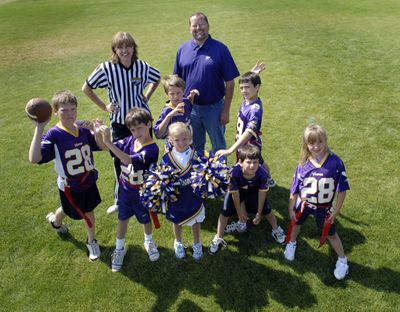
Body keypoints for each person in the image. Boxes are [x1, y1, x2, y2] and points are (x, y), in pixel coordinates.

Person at [82, 31, 161, 215]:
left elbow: (157, 78)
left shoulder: (141, 66)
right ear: (115, 50)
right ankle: (120, 199)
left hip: (141, 122)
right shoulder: (106, 68)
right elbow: (86, 88)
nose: (125, 50)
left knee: (145, 159)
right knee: (119, 161)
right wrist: (104, 106)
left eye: (128, 46)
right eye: (120, 47)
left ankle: (149, 193)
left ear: (134, 48)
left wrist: (146, 96)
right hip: (119, 123)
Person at [28, 90, 106, 261]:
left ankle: (91, 241)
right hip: (70, 185)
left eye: (73, 109)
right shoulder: (53, 134)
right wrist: (39, 127)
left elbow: (102, 147)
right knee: (67, 209)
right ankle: (55, 222)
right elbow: (34, 159)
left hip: (88, 180)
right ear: (55, 111)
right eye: (64, 110)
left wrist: (97, 131)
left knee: (88, 211)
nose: (70, 114)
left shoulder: (83, 129)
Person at [284, 124, 350, 280]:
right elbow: (294, 189)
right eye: (312, 143)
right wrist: (291, 207)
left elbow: (342, 190)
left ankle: (343, 260)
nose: (316, 146)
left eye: (320, 142)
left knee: (331, 234)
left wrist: (336, 211)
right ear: (306, 145)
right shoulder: (303, 164)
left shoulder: (336, 162)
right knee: (296, 223)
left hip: (324, 207)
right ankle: (291, 243)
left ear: (325, 140)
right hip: (304, 204)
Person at [99, 108, 160, 272]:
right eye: (132, 129)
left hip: (142, 191)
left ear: (149, 124)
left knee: (145, 219)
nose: (136, 132)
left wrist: (109, 142)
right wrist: (98, 132)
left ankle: (148, 241)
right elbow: (105, 148)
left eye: (139, 127)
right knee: (122, 219)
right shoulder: (129, 141)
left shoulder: (152, 149)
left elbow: (127, 159)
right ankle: (119, 249)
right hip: (126, 189)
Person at [173, 12, 240, 153]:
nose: (198, 28)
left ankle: (219, 174)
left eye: (202, 24)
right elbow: (176, 81)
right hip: (190, 109)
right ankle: (196, 175)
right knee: (193, 147)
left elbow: (230, 82)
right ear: (189, 28)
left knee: (218, 146)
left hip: (214, 108)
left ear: (208, 26)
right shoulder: (182, 49)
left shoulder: (220, 49)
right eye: (194, 25)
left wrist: (226, 110)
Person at [209, 145, 286, 255]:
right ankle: (218, 237)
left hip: (254, 191)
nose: (252, 165)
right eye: (249, 162)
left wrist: (259, 213)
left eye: (255, 162)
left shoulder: (262, 173)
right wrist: (240, 214)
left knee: (267, 210)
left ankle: (276, 229)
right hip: (237, 191)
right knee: (224, 211)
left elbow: (262, 193)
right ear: (240, 162)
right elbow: (235, 195)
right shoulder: (234, 172)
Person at [215, 70, 276, 186]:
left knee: (251, 163)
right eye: (241, 88)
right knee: (259, 162)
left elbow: (249, 131)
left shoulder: (255, 109)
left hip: (249, 143)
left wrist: (230, 150)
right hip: (241, 141)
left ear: (257, 87)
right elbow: (249, 83)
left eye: (247, 87)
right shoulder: (247, 100)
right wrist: (253, 72)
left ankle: (247, 183)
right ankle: (267, 178)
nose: (244, 91)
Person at [161, 122, 205, 260]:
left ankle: (197, 243)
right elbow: (162, 179)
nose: (181, 143)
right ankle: (178, 242)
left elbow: (203, 174)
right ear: (170, 140)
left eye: (185, 139)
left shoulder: (196, 155)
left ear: (190, 138)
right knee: (177, 221)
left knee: (196, 220)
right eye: (177, 140)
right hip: (177, 199)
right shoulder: (166, 158)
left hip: (193, 196)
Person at [153, 74, 199, 153]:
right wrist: (169, 115)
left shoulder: (185, 102)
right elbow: (158, 134)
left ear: (183, 91)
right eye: (172, 94)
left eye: (179, 93)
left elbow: (189, 107)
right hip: (172, 147)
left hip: (187, 144)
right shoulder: (167, 110)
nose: (176, 96)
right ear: (167, 94)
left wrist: (191, 97)